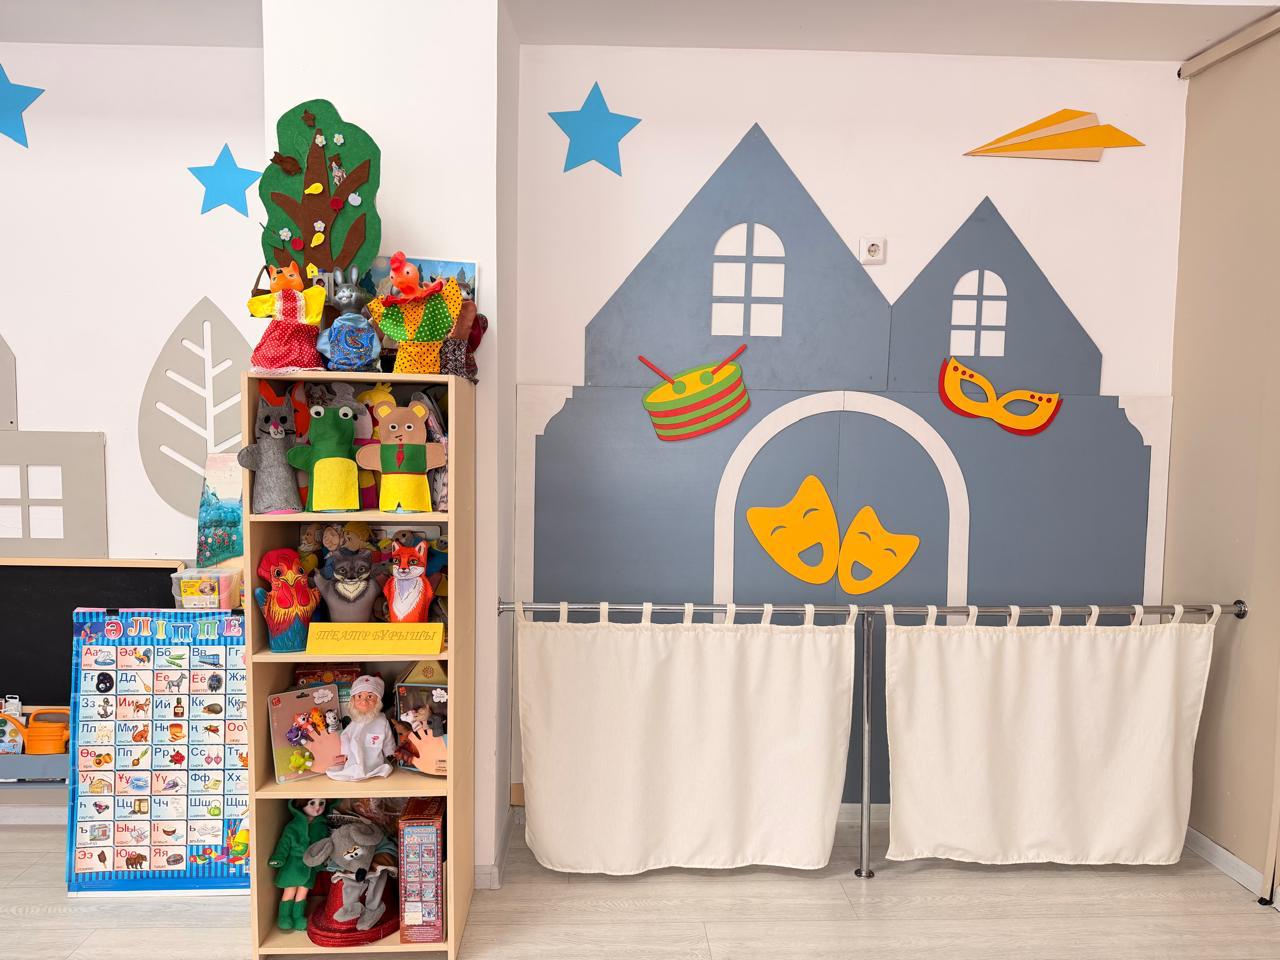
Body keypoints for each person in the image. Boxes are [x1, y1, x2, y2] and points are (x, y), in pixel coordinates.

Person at [326, 674, 395, 780]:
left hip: (374, 758)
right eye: (359, 696)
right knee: (354, 762)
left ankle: (373, 768)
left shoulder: (382, 721)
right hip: (354, 757)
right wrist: (346, 753)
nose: (364, 701)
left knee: (374, 762)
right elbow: (345, 735)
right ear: (353, 700)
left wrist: (390, 752)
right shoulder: (355, 721)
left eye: (370, 697)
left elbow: (388, 738)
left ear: (377, 701)